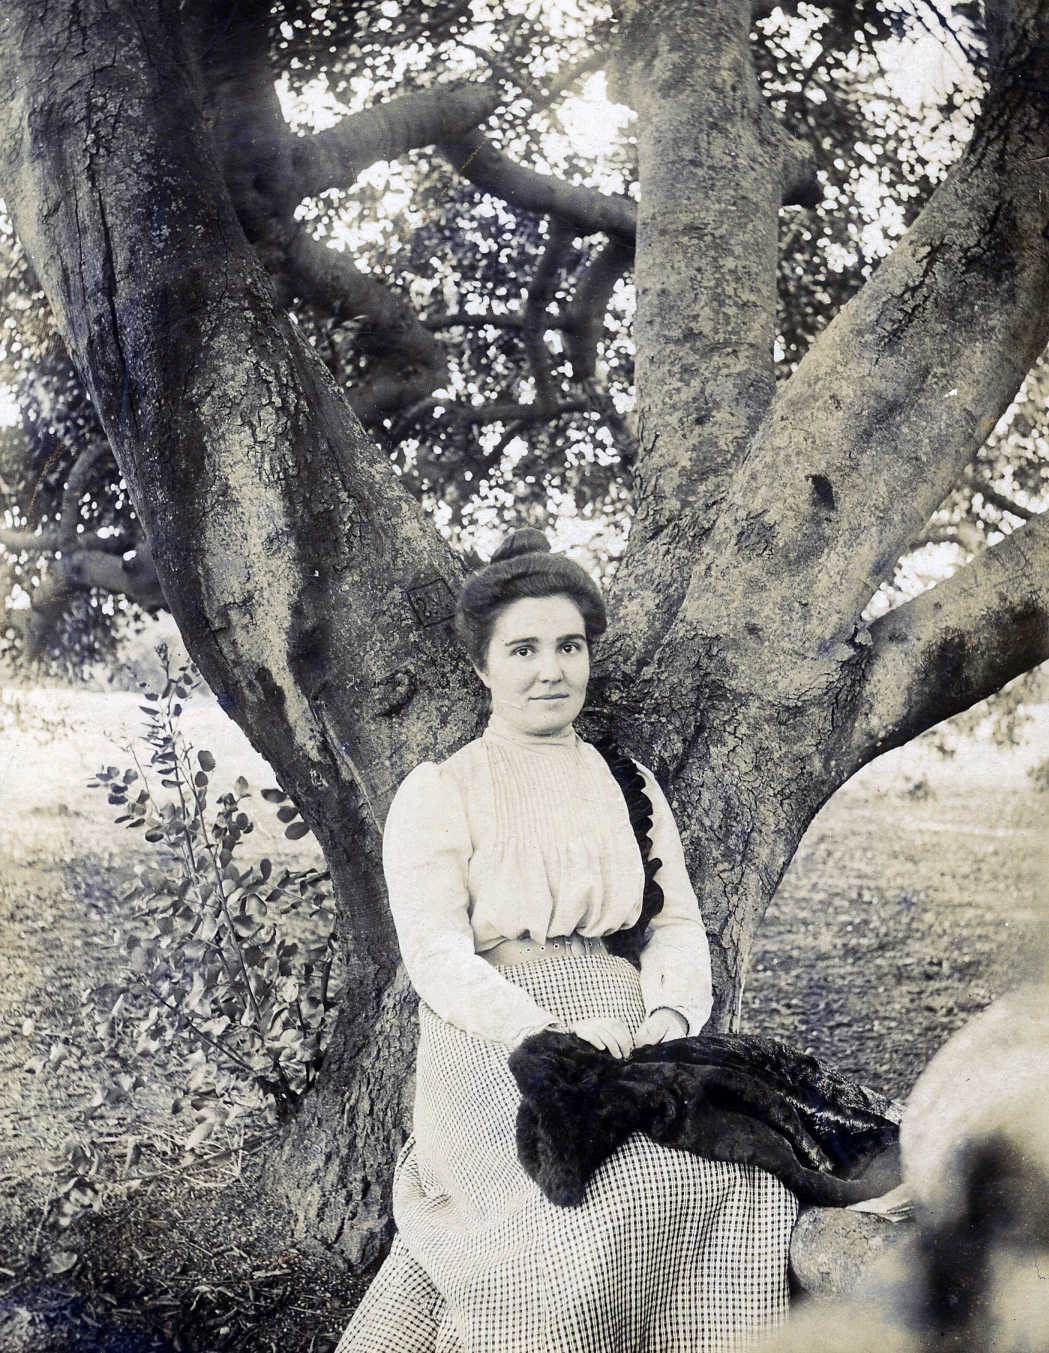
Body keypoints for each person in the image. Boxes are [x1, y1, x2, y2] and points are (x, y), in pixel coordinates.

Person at [336, 529, 798, 1353]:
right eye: (523, 648)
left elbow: (675, 924)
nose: (550, 669)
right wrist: (542, 1035)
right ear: (482, 666)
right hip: (494, 1038)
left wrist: (668, 1015)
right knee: (607, 1198)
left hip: (627, 1026)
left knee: (742, 1179)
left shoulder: (628, 783)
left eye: (568, 645)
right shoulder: (441, 791)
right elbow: (438, 954)